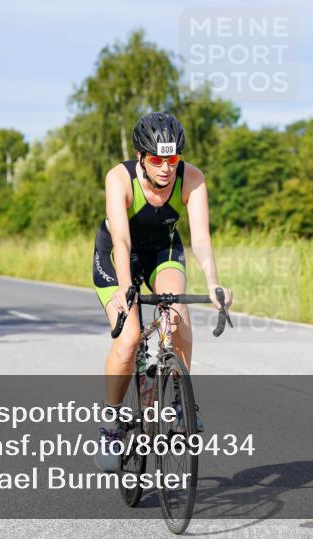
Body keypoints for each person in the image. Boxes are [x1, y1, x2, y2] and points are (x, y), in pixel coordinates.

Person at [91, 112, 232, 471]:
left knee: (176, 313)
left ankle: (182, 401)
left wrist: (213, 283)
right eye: (156, 160)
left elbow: (201, 239)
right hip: (118, 254)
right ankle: (110, 423)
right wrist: (126, 287)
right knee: (129, 338)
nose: (166, 168)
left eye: (173, 159)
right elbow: (122, 241)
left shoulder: (192, 178)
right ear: (140, 156)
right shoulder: (119, 178)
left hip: (163, 251)